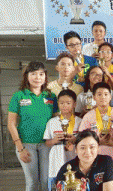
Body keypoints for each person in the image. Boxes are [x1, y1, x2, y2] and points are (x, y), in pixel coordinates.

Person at [7, 61, 58, 191]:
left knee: (47, 181)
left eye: (41, 74)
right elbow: (11, 123)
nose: (37, 77)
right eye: (33, 74)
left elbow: (57, 120)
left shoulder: (51, 96)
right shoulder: (19, 96)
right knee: (32, 182)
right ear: (27, 76)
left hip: (47, 144)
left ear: (45, 77)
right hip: (26, 144)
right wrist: (20, 148)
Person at [79, 82, 113, 189]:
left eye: (106, 94)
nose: (102, 97)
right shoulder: (88, 116)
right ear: (94, 97)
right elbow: (82, 138)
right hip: (94, 159)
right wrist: (99, 142)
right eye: (99, 94)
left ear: (110, 96)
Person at [43, 90, 82, 190]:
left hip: (74, 156)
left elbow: (84, 140)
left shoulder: (79, 121)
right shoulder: (52, 122)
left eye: (68, 103)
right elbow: (47, 142)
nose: (64, 106)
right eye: (61, 103)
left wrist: (75, 139)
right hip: (57, 159)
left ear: (74, 104)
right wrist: (53, 141)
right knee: (58, 184)